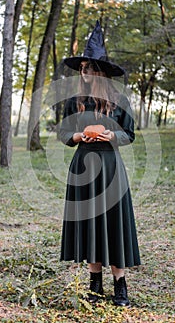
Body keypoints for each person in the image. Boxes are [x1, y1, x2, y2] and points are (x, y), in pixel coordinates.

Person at [59, 21, 140, 306]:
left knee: (113, 224)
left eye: (89, 68)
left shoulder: (119, 100)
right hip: (82, 166)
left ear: (101, 72)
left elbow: (129, 133)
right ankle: (94, 285)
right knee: (90, 224)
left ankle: (120, 286)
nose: (84, 72)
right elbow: (63, 132)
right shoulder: (74, 101)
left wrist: (110, 134)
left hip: (109, 168)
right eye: (82, 68)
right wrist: (78, 135)